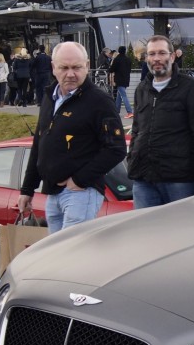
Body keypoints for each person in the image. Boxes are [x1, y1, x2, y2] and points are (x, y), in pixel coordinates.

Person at [17, 42, 127, 232]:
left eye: (76, 67)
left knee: (73, 255)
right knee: (59, 256)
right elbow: (39, 143)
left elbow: (116, 149)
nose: (70, 74)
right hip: (52, 193)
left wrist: (79, 180)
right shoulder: (50, 96)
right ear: (53, 68)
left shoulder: (100, 101)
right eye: (64, 68)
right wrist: (27, 190)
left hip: (81, 192)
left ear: (87, 65)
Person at [128, 35, 194, 207]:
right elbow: (137, 130)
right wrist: (132, 159)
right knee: (145, 232)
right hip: (144, 180)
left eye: (162, 53)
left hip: (179, 181)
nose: (157, 59)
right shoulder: (142, 89)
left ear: (173, 56)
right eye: (151, 54)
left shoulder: (190, 88)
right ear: (146, 58)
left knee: (181, 233)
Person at [110, 44, 134, 118]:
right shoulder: (128, 59)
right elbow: (129, 69)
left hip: (119, 80)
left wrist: (109, 69)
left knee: (123, 96)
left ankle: (130, 112)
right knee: (119, 96)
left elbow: (112, 69)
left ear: (119, 51)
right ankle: (116, 111)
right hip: (126, 79)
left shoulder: (117, 59)